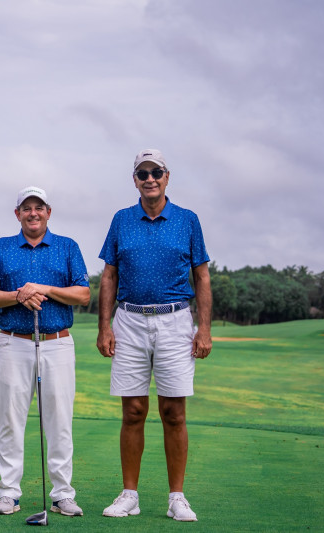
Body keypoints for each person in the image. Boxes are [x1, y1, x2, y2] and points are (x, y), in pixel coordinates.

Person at [96, 149, 212, 522]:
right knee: (133, 411)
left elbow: (202, 276)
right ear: (135, 179)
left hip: (176, 321)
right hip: (129, 320)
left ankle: (176, 496)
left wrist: (204, 329)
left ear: (166, 176)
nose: (149, 178)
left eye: (156, 172)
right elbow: (109, 275)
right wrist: (104, 325)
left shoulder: (187, 220)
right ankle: (130, 494)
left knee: (173, 412)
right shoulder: (122, 220)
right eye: (142, 173)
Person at [0, 186, 90, 517]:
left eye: (38, 207)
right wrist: (19, 295)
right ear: (18, 214)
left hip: (57, 342)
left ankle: (62, 494)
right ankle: (9, 493)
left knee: (59, 420)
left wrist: (45, 289)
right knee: (11, 420)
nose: (33, 213)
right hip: (14, 342)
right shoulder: (1, 248)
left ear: (48, 212)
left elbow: (83, 294)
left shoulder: (68, 247)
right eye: (26, 208)